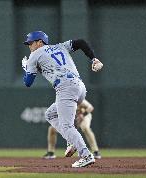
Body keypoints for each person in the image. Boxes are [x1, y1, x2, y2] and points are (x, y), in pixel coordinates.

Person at [21, 31, 103, 168]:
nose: (29, 46)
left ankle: (86, 155)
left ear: (40, 42)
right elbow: (81, 42)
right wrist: (93, 58)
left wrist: (26, 68)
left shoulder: (34, 55)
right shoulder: (60, 47)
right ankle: (71, 141)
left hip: (65, 88)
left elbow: (28, 82)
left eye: (31, 42)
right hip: (80, 88)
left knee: (67, 126)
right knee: (50, 114)